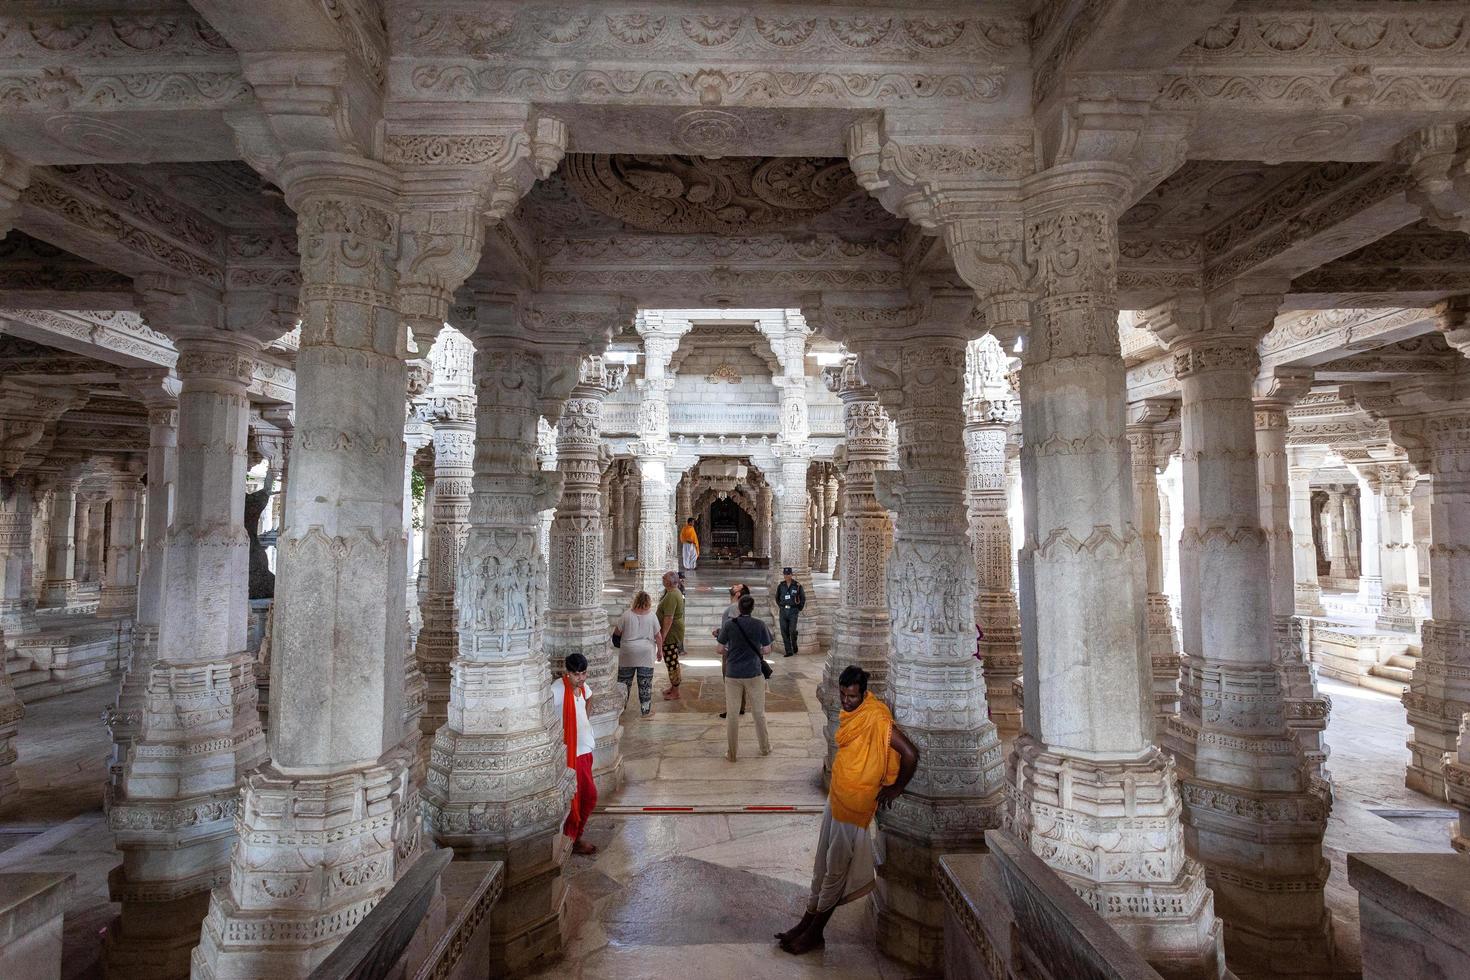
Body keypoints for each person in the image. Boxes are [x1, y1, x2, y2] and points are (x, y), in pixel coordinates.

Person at [776, 665, 919, 954]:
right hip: (838, 796)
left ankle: (815, 933)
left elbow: (910, 753)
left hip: (856, 805)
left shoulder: (876, 719)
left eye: (852, 697)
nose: (846, 702)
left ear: (863, 694)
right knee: (821, 864)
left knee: (836, 870)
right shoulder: (855, 715)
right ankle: (805, 922)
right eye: (843, 695)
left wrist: (897, 788)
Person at [715, 593, 773, 762]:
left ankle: (732, 754)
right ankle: (765, 748)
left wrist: (731, 652)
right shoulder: (759, 624)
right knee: (758, 713)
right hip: (753, 673)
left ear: (739, 608)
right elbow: (768, 649)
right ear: (752, 608)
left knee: (732, 715)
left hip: (733, 674)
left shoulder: (729, 625)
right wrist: (755, 652)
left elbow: (719, 649)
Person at [553, 653, 599, 856]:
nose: (581, 678)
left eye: (583, 673)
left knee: (586, 798)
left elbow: (590, 698)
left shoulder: (582, 687)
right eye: (576, 674)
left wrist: (585, 721)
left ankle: (575, 837)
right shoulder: (556, 690)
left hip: (586, 749)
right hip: (571, 754)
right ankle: (573, 839)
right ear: (567, 673)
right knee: (581, 797)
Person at [613, 590, 661, 717]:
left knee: (624, 682)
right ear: (648, 602)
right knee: (645, 683)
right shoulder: (652, 616)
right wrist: (660, 651)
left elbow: (616, 634)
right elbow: (658, 636)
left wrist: (621, 646)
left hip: (628, 652)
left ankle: (620, 709)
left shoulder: (626, 615)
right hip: (645, 653)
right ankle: (645, 711)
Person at [717, 583, 749, 720]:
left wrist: (722, 638)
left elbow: (734, 629)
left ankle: (733, 709)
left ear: (738, 594)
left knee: (730, 681)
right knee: (737, 679)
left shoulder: (734, 608)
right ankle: (740, 707)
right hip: (736, 648)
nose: (733, 586)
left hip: (731, 650)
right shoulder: (737, 607)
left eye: (737, 586)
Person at [656, 570, 685, 700]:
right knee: (671, 660)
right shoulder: (673, 592)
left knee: (671, 661)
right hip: (673, 630)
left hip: (671, 632)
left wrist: (662, 637)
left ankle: (676, 691)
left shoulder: (672, 595)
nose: (662, 578)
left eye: (664, 577)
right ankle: (673, 687)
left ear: (669, 581)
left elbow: (668, 618)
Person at [775, 567, 805, 657]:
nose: (786, 576)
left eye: (788, 574)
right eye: (785, 574)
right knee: (784, 631)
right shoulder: (781, 586)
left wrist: (799, 608)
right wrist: (781, 606)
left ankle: (794, 645)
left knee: (792, 631)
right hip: (783, 610)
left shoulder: (797, 586)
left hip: (793, 610)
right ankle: (788, 651)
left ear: (791, 575)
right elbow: (777, 597)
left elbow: (802, 598)